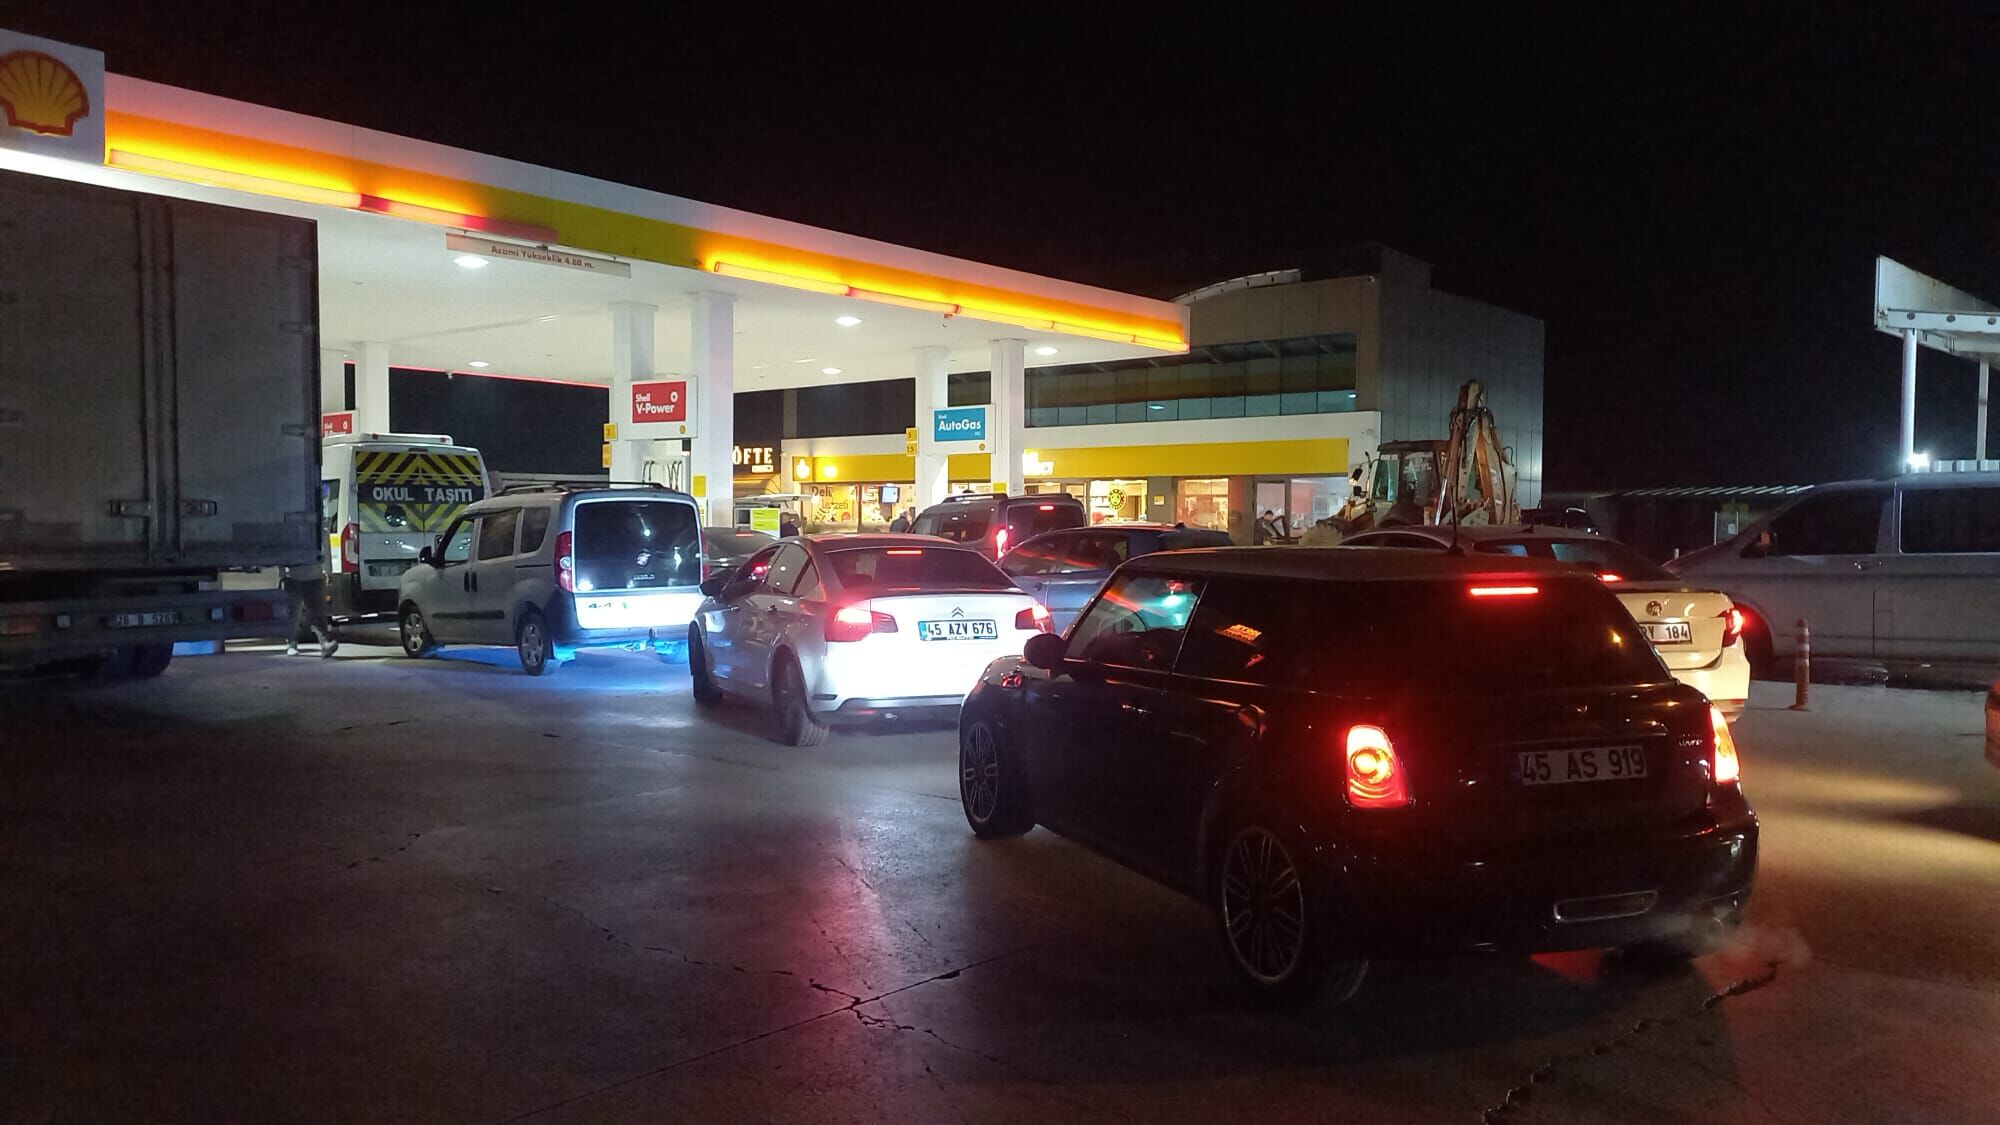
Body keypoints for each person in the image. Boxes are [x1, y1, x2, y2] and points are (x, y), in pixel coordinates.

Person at [281, 561, 337, 658]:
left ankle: (325, 644)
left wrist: (326, 572)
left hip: (314, 577)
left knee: (318, 612)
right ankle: (291, 644)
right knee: (293, 613)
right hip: (292, 577)